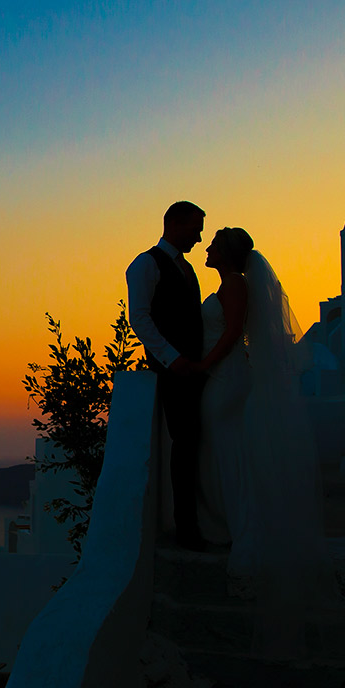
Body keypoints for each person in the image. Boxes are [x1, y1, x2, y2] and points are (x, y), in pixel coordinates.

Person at [197, 227, 344, 660]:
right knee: (228, 456)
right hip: (225, 376)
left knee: (230, 457)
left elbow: (233, 334)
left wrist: (204, 365)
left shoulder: (236, 286)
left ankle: (245, 534)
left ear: (224, 253)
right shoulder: (229, 284)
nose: (207, 249)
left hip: (225, 379)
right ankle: (234, 526)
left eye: (213, 245)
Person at [126, 201, 213, 552]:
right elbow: (141, 319)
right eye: (195, 228)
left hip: (195, 368)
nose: (199, 236)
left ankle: (197, 521)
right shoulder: (145, 264)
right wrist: (171, 359)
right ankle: (186, 527)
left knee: (194, 443)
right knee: (185, 443)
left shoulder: (187, 268)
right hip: (173, 370)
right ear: (174, 224)